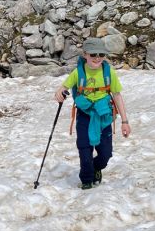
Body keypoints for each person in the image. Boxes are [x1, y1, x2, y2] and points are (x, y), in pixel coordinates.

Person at [52, 37, 132, 189]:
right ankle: (87, 180)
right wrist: (59, 93)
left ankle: (96, 167)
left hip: (104, 116)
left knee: (106, 154)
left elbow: (117, 95)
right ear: (85, 54)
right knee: (84, 149)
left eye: (101, 54)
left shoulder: (109, 73)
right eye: (93, 54)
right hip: (84, 115)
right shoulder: (78, 73)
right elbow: (63, 88)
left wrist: (125, 122)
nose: (97, 58)